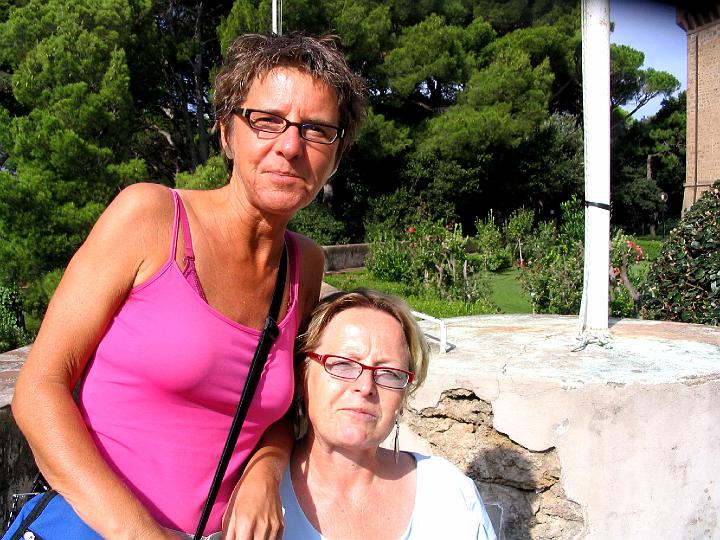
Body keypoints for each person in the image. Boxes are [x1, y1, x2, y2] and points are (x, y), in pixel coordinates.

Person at [11, 32, 366, 539]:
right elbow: (38, 389)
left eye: (317, 130)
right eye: (267, 120)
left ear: (337, 154)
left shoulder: (303, 265)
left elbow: (280, 408)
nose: (290, 146)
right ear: (226, 133)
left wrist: (265, 470)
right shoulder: (151, 218)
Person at [281, 289, 497, 540]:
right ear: (302, 376)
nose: (366, 386)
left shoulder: (449, 493)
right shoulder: (261, 499)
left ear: (403, 397)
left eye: (388, 373)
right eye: (342, 364)